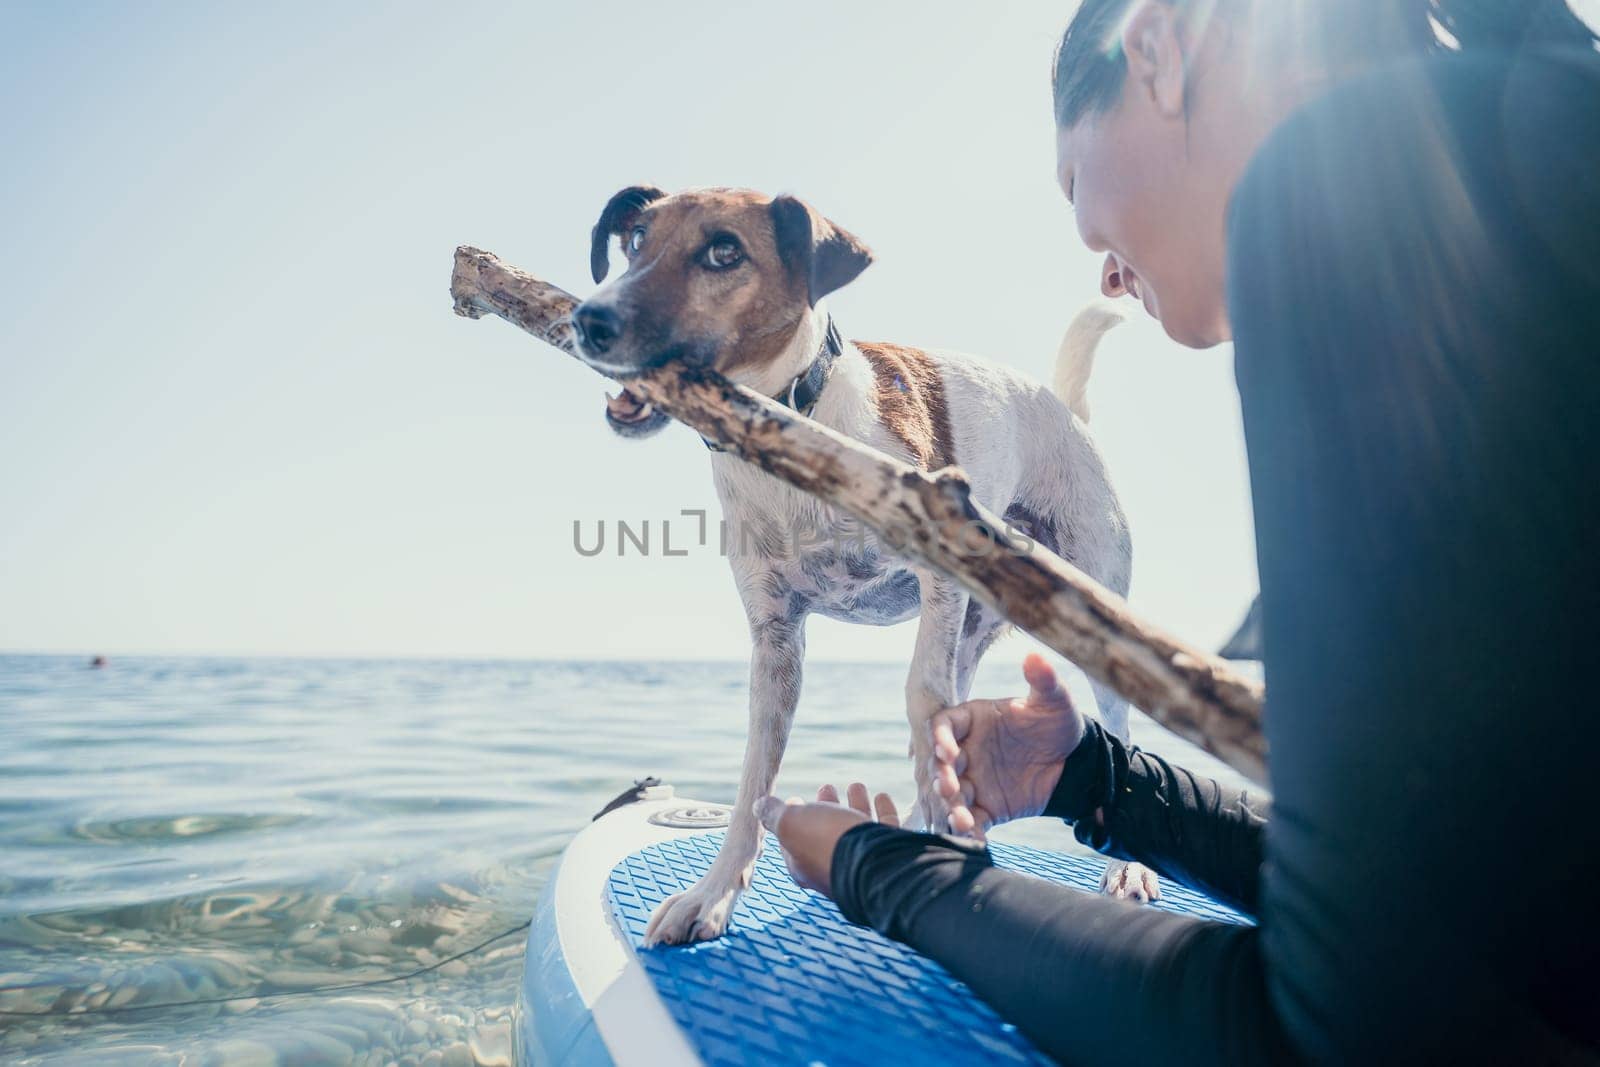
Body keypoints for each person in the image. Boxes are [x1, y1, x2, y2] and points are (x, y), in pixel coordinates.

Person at [755, 1, 1600, 1062]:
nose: (1101, 264)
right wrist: (1101, 783)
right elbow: (1485, 903)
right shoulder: (1541, 130)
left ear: (1160, 48)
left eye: (1073, 183)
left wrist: (883, 871)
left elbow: (1354, 1029)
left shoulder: (1354, 189)